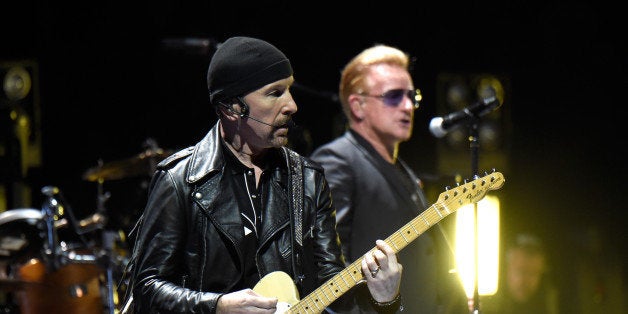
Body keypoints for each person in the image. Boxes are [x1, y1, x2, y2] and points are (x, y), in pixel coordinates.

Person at [122, 36, 403, 314]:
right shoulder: (180, 180)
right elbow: (146, 288)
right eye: (275, 92)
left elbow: (331, 285)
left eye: (290, 90)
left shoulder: (307, 180)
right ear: (232, 109)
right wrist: (216, 307)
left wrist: (384, 299)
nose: (292, 105)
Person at [310, 44, 468, 313]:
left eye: (411, 96)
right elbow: (327, 270)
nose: (407, 106)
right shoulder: (338, 161)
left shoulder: (402, 168)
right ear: (358, 105)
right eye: (394, 97)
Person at [480, 232, 559, 314]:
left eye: (533, 273)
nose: (525, 280)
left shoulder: (548, 307)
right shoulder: (485, 306)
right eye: (520, 271)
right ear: (506, 268)